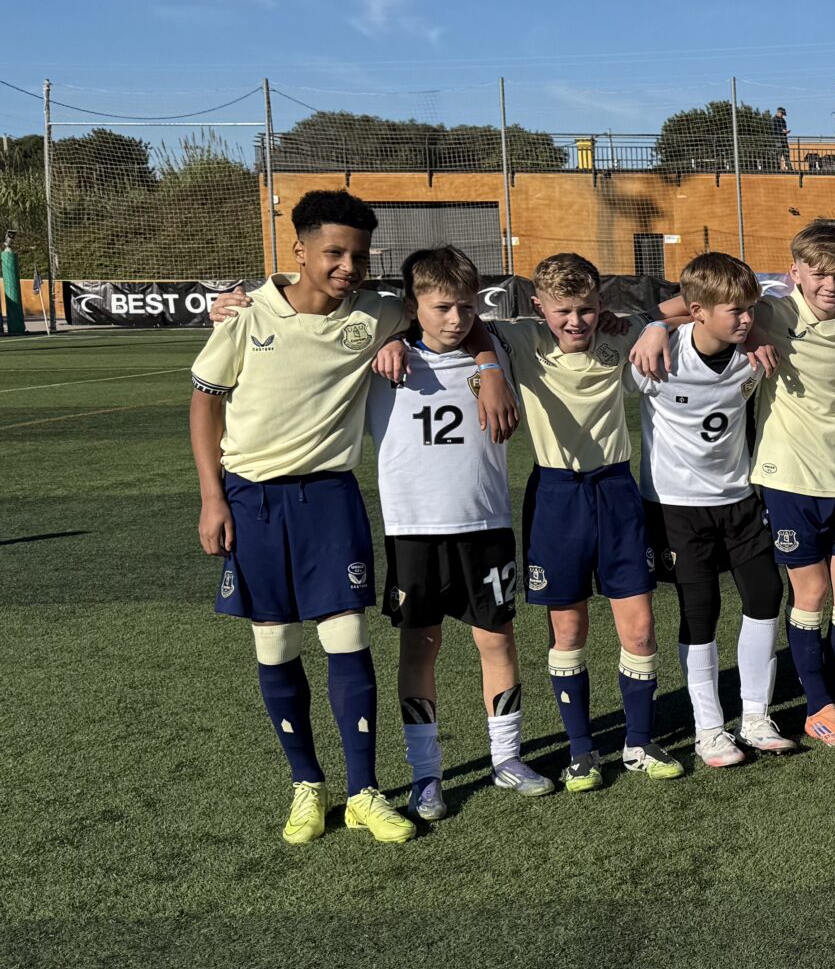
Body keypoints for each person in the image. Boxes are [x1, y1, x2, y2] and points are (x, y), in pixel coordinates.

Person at [191, 190, 513, 845]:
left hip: (332, 499)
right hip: (253, 500)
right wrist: (212, 496)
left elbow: (459, 315)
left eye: (359, 255)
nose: (347, 266)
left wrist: (487, 365)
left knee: (347, 638)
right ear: (300, 251)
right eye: (334, 253)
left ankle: (364, 790)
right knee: (277, 644)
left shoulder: (376, 313)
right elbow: (204, 405)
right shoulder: (247, 317)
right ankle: (306, 784)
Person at [638, 223, 835, 750]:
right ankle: (810, 708)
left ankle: (832, 699)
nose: (831, 286)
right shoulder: (770, 310)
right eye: (818, 274)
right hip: (784, 472)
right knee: (804, 593)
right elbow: (697, 303)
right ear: (794, 273)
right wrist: (655, 323)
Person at [370, 246, 552, 821]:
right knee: (419, 648)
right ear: (412, 307)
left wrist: (490, 365)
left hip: (485, 524)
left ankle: (507, 758)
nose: (457, 319)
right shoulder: (383, 358)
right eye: (442, 307)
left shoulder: (493, 347)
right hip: (413, 530)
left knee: (497, 642)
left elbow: (511, 327)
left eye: (466, 307)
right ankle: (426, 775)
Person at [494, 253, 683, 792]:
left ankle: (640, 741)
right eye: (562, 312)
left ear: (602, 306)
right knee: (568, 629)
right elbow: (449, 320)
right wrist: (487, 367)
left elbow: (698, 303)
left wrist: (652, 324)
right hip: (555, 497)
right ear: (539, 308)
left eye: (586, 310)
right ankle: (581, 751)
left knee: (640, 628)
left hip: (617, 492)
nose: (576, 322)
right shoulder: (518, 338)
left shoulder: (618, 335)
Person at [632, 252, 783, 769]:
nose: (747, 319)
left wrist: (755, 327)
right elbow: (656, 314)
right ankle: (709, 729)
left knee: (766, 595)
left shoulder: (753, 351)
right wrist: (655, 323)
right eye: (735, 311)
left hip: (739, 499)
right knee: (701, 613)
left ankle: (756, 716)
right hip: (677, 507)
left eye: (750, 309)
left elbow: (781, 296)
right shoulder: (659, 355)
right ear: (697, 311)